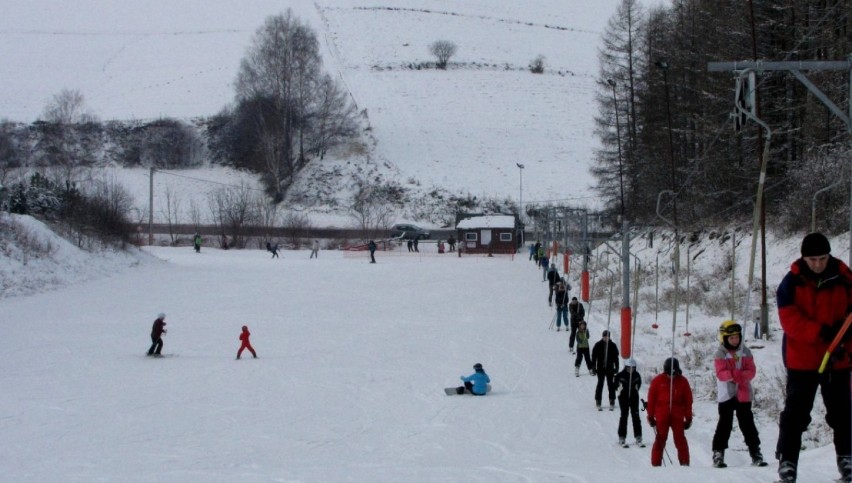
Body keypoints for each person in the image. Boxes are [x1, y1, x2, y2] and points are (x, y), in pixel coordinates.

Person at [775, 232, 852, 482]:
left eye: (822, 258)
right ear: (803, 258)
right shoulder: (790, 283)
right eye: (812, 259)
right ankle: (787, 464)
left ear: (829, 255)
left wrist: (844, 342)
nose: (817, 264)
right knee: (795, 415)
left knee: (843, 413)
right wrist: (821, 332)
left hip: (838, 360)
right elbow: (790, 321)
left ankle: (847, 461)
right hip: (802, 360)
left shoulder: (845, 279)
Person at [711, 320, 765, 468]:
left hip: (743, 394)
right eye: (731, 338)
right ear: (724, 338)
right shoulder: (720, 353)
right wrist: (736, 374)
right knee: (725, 425)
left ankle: (755, 452)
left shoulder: (745, 352)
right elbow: (721, 373)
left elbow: (751, 371)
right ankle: (718, 453)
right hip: (727, 394)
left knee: (747, 424)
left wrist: (742, 376)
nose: (735, 340)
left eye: (737, 337)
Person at [647, 357, 693, 467]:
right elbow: (651, 399)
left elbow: (688, 400)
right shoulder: (658, 381)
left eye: (674, 373)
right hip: (662, 414)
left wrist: (688, 417)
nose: (671, 376)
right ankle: (655, 464)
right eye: (669, 373)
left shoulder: (683, 381)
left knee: (680, 439)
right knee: (660, 439)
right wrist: (650, 416)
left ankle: (685, 463)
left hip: (677, 414)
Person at [616, 358, 643, 447]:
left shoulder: (637, 375)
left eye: (633, 368)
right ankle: (622, 436)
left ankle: (638, 436)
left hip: (634, 397)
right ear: (625, 367)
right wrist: (619, 388)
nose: (631, 370)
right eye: (629, 368)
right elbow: (615, 384)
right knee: (624, 415)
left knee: (635, 415)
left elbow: (639, 384)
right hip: (623, 397)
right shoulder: (620, 375)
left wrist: (636, 389)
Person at [591, 330, 620, 410]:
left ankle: (612, 400)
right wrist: (593, 367)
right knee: (600, 383)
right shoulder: (598, 345)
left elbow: (616, 358)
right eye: (604, 336)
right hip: (600, 367)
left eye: (607, 337)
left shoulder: (613, 345)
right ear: (602, 336)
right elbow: (593, 357)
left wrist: (617, 367)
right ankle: (598, 400)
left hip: (610, 368)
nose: (606, 338)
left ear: (609, 337)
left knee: (611, 384)